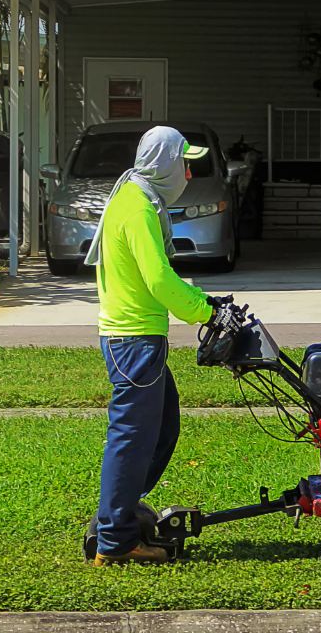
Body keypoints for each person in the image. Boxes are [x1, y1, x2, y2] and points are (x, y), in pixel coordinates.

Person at [83, 126, 216, 566]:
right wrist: (206, 311)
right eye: (185, 165)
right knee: (132, 441)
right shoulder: (137, 207)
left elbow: (154, 277)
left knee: (162, 427)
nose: (189, 175)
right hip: (134, 341)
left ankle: (117, 510)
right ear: (165, 165)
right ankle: (116, 539)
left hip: (136, 340)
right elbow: (159, 280)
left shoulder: (136, 198)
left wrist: (203, 302)